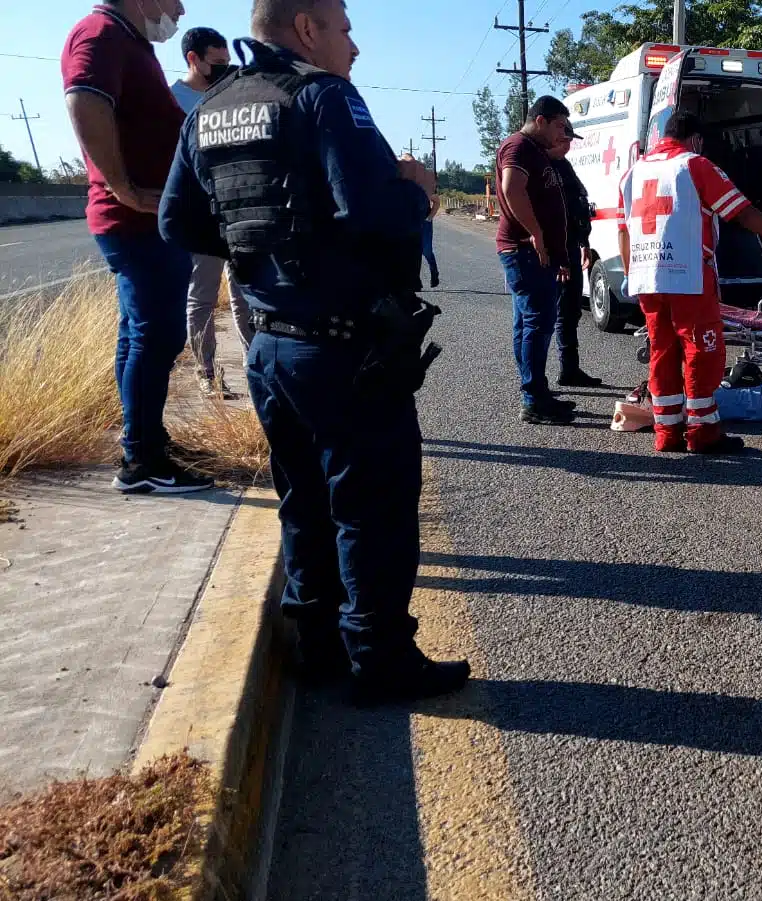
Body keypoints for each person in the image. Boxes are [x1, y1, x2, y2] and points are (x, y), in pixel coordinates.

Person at [159, 0, 469, 704]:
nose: (354, 44)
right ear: (306, 29)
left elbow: (178, 219)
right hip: (341, 347)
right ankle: (380, 658)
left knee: (303, 499)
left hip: (268, 345)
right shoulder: (324, 96)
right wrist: (417, 193)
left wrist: (262, 252)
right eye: (344, 26)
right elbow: (369, 209)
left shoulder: (211, 106)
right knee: (373, 504)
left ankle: (318, 643)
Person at [63, 0, 214, 494]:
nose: (180, 7)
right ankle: (143, 461)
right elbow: (84, 98)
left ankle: (144, 445)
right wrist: (124, 188)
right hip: (135, 220)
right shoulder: (100, 33)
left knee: (139, 337)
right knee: (157, 338)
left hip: (147, 221)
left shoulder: (129, 42)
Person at [619, 111, 762, 454]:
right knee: (702, 351)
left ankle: (667, 432)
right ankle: (703, 432)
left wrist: (632, 275)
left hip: (646, 277)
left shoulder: (633, 171)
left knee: (662, 352)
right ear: (696, 139)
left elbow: (624, 231)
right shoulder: (694, 165)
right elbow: (741, 211)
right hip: (687, 274)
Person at [172, 25, 254, 399]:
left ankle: (256, 370)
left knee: (244, 299)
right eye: (216, 63)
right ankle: (207, 375)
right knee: (202, 297)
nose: (224, 69)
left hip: (236, 216)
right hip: (201, 220)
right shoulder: (172, 100)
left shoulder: (233, 96)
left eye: (227, 62)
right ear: (194, 59)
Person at [497, 95, 578, 425]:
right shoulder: (518, 147)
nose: (563, 132)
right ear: (541, 120)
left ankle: (537, 391)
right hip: (524, 251)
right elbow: (512, 188)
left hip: (534, 252)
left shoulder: (535, 152)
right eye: (559, 125)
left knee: (528, 323)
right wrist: (537, 234)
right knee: (537, 323)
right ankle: (533, 399)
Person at [549, 122, 603, 388]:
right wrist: (559, 255)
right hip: (554, 251)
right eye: (563, 140)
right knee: (550, 315)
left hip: (571, 246)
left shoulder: (564, 167)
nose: (567, 145)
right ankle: (538, 383)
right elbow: (551, 217)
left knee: (570, 312)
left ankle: (570, 369)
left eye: (570, 140)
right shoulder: (543, 167)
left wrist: (584, 242)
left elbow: (579, 207)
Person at [402, 152, 441, 288]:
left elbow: (436, 202)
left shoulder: (424, 184)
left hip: (423, 223)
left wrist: (429, 218)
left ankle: (434, 273)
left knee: (426, 251)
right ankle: (415, 281)